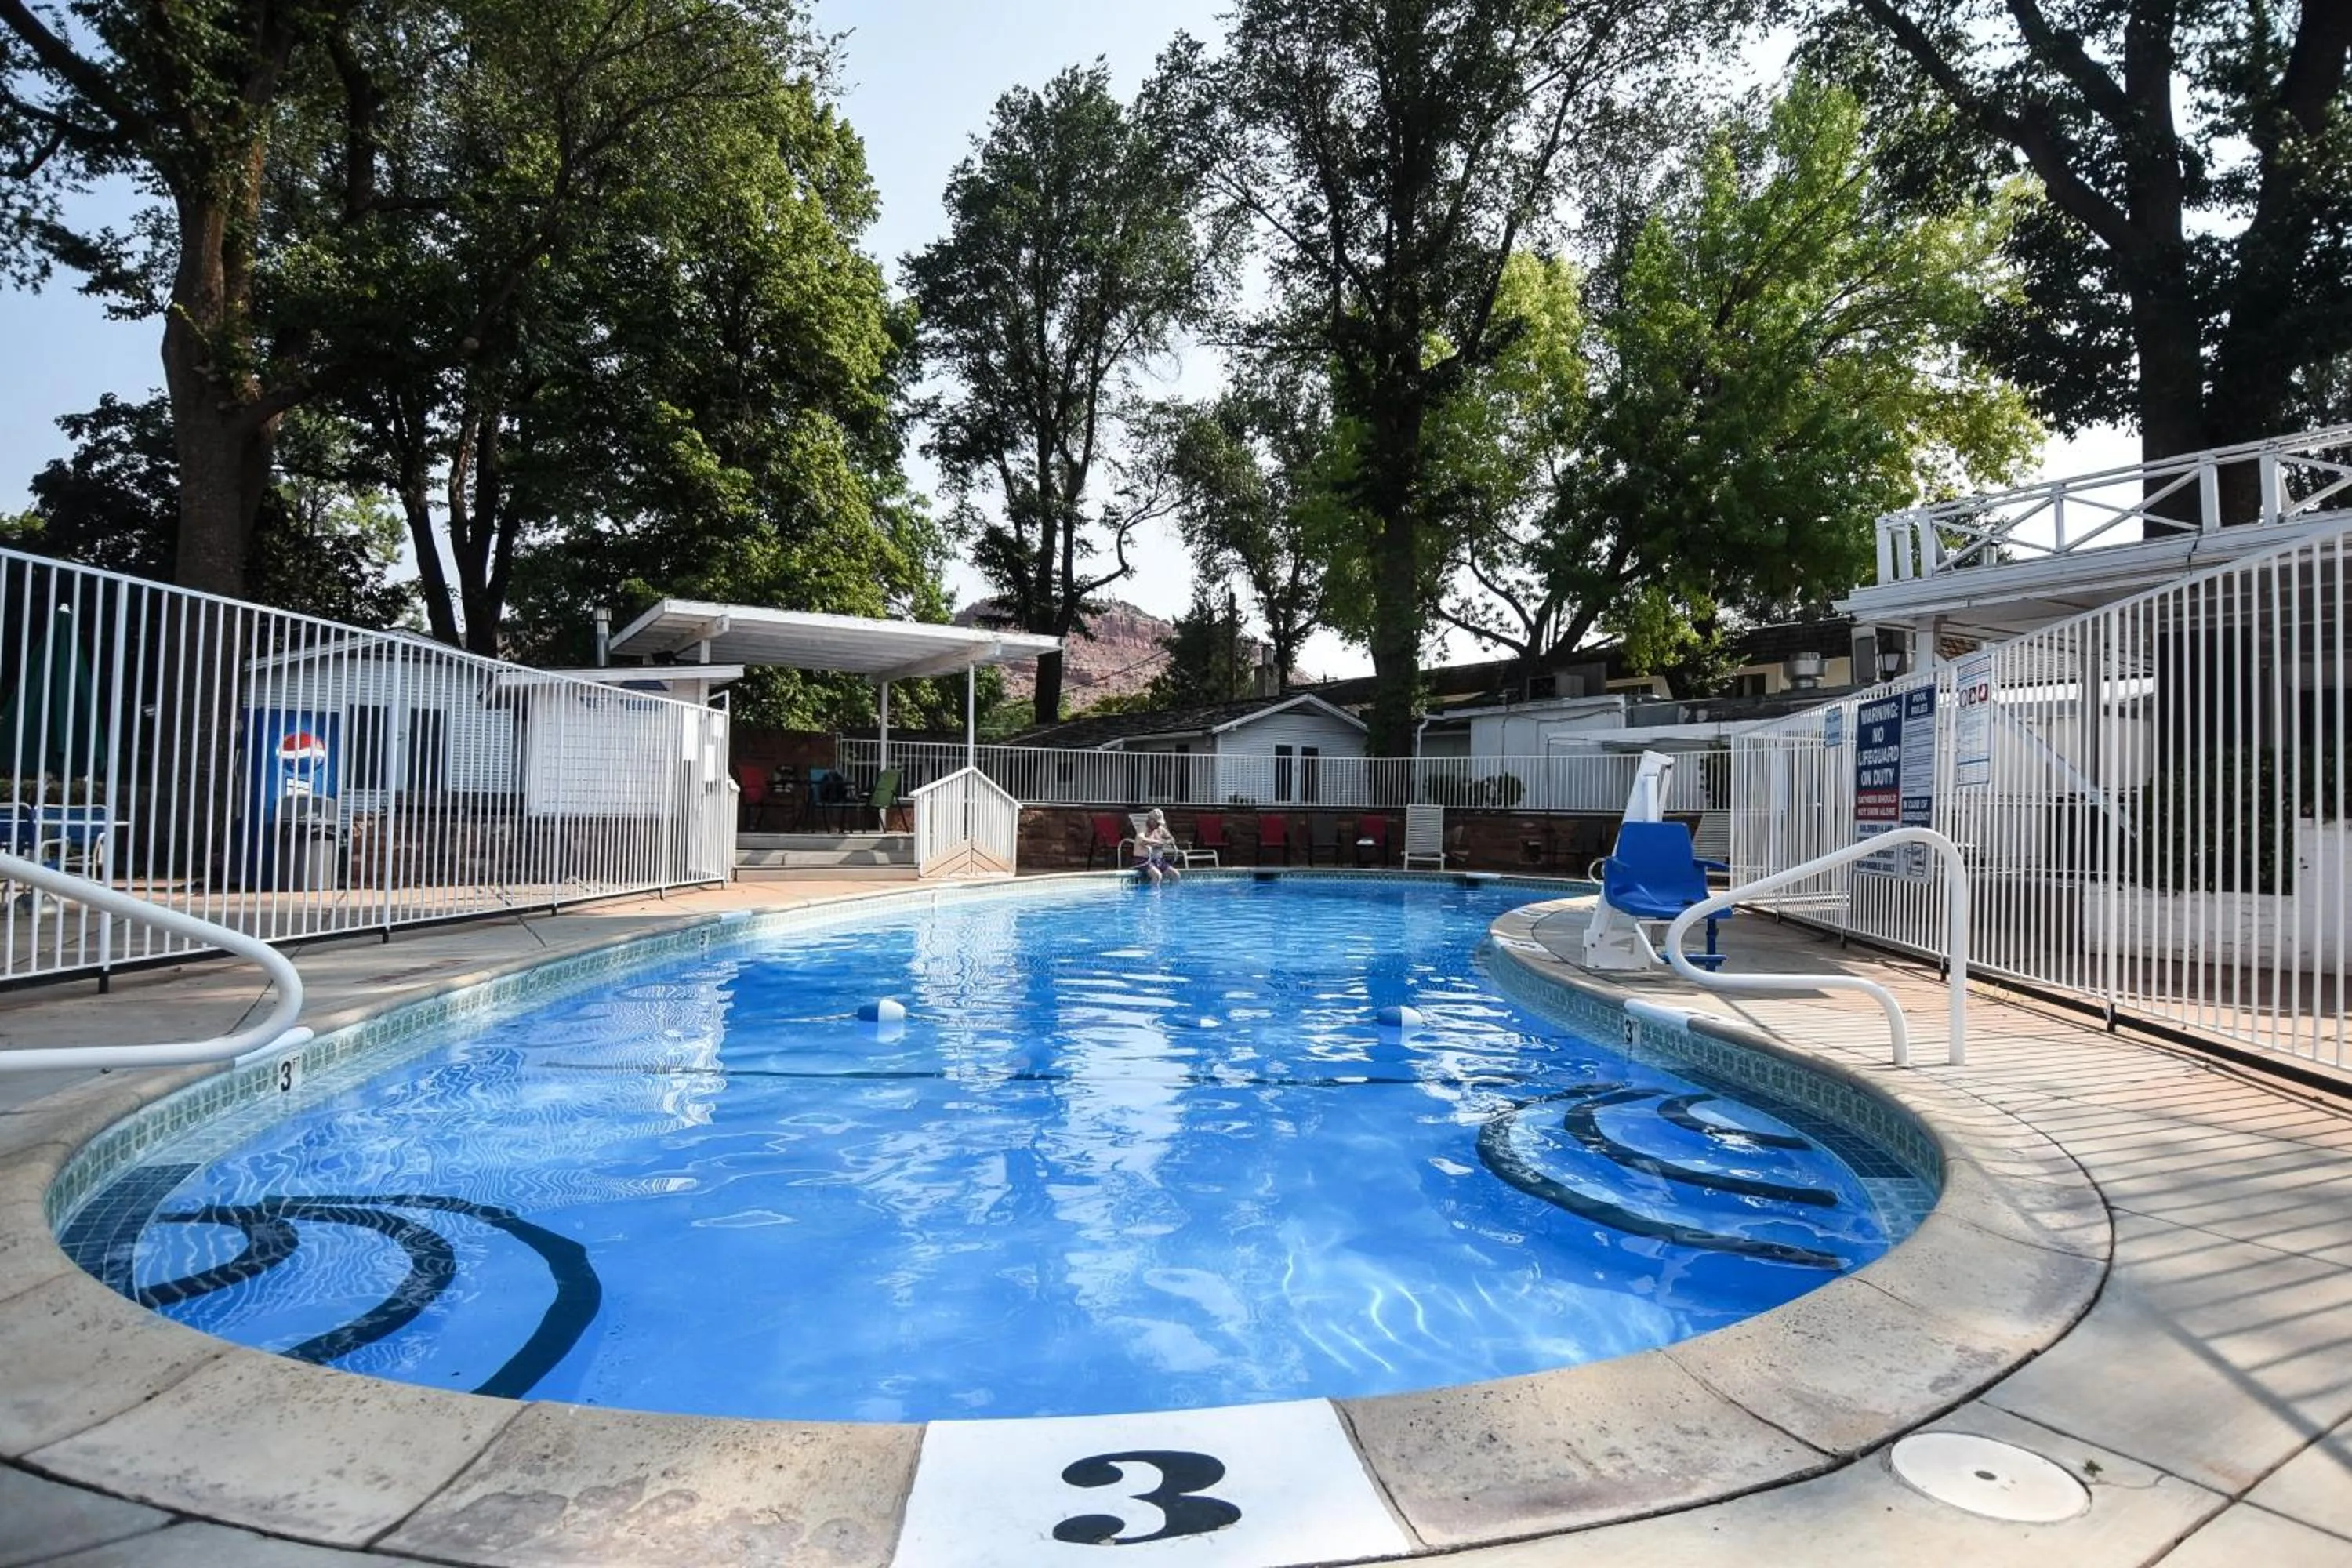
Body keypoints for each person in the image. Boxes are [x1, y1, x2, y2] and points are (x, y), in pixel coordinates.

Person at [1134, 808, 1183, 885]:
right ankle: (1153, 896)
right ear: (1151, 820)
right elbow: (1141, 840)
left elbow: (1171, 838)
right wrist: (1157, 842)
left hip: (1158, 861)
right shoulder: (1143, 828)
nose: (1159, 825)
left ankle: (1173, 896)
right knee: (1157, 876)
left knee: (1176, 875)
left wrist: (1166, 842)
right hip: (1143, 860)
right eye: (1157, 823)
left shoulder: (1160, 829)